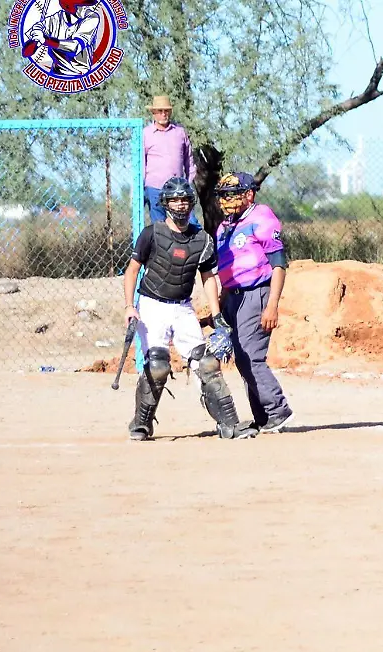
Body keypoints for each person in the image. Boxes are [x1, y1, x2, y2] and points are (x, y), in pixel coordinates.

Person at [122, 177, 258, 441]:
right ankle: (141, 424)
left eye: (185, 200)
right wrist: (129, 306)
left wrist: (217, 315)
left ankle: (228, 423)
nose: (180, 205)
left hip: (183, 307)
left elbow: (208, 278)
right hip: (151, 305)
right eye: (174, 200)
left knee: (207, 363)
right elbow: (132, 271)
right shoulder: (151, 233)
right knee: (158, 365)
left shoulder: (201, 239)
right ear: (165, 203)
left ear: (191, 203)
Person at [213, 171, 295, 433]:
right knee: (241, 357)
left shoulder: (262, 218)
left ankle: (278, 411)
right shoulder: (224, 227)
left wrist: (272, 305)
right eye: (223, 195)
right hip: (233, 298)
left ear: (249, 195)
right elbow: (227, 271)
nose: (227, 200)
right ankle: (262, 416)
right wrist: (220, 303)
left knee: (252, 357)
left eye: (233, 194)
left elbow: (279, 265)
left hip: (256, 293)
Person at [142, 95, 200, 227]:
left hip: (179, 189)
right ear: (154, 113)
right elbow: (141, 164)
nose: (164, 114)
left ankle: (195, 247)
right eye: (160, 111)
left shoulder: (180, 132)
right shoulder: (146, 134)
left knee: (191, 224)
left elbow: (189, 160)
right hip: (155, 188)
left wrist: (188, 183)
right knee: (160, 226)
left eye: (166, 111)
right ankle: (162, 248)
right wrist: (144, 187)